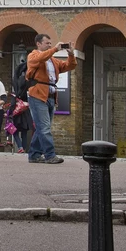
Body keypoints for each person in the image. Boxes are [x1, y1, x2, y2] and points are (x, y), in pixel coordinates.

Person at [26, 33, 76, 164]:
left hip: (51, 96)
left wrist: (71, 54)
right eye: (47, 43)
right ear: (38, 44)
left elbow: (69, 66)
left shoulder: (53, 61)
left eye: (50, 43)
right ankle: (50, 155)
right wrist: (54, 49)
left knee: (42, 127)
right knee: (44, 127)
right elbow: (40, 58)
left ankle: (34, 155)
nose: (49, 45)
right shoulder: (33, 56)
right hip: (37, 95)